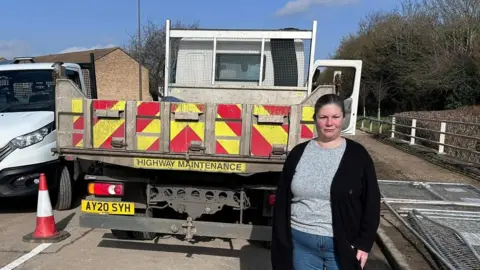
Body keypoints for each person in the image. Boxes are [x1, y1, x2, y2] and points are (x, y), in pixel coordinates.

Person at [271, 94, 381, 270]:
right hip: (301, 244)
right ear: (315, 119)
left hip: (341, 245)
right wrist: (282, 239)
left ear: (343, 119)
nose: (329, 123)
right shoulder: (298, 153)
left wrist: (364, 242)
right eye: (323, 117)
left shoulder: (358, 155)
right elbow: (282, 200)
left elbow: (372, 202)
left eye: (335, 117)